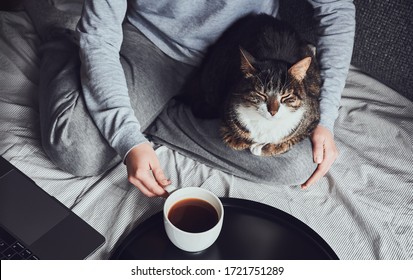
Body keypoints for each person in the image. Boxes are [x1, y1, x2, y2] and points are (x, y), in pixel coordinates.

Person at [23, 0, 355, 197]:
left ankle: (151, 114)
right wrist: (126, 138)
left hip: (244, 62)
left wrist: (325, 117)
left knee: (298, 162)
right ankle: (59, 32)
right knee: (78, 152)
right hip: (149, 44)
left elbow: (337, 9)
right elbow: (98, 39)